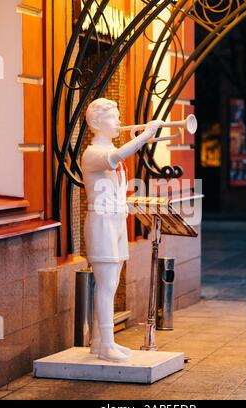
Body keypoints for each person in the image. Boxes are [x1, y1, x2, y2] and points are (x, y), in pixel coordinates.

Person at [82, 98, 161, 362]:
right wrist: (144, 137)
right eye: (113, 117)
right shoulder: (92, 153)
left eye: (118, 115)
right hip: (102, 222)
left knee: (112, 283)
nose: (119, 121)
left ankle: (99, 341)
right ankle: (106, 345)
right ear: (95, 123)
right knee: (106, 285)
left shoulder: (111, 150)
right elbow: (115, 157)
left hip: (115, 221)